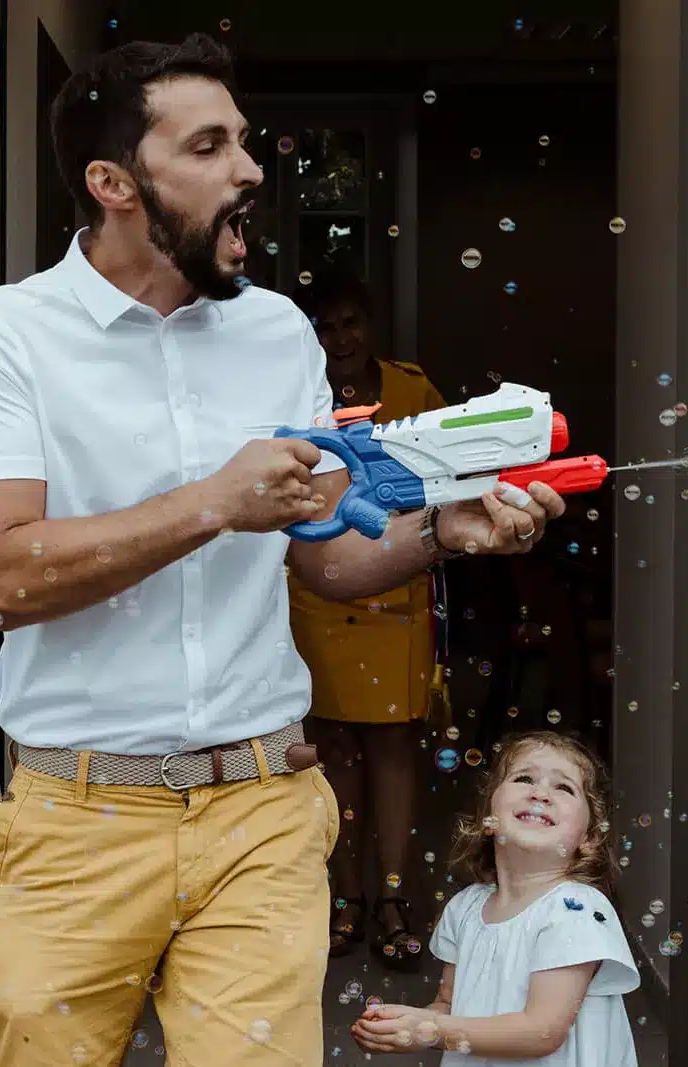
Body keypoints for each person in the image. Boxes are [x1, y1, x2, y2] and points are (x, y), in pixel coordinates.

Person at [0, 33, 566, 1066]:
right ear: (114, 182)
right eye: (211, 145)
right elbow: (3, 573)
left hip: (265, 804)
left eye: (247, 142)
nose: (252, 170)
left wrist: (444, 534)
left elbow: (324, 555)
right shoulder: (2, 338)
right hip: (76, 818)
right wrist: (212, 502)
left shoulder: (277, 331)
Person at [286, 271, 448, 969]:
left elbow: (449, 480)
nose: (340, 339)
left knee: (390, 748)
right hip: (320, 592)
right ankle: (344, 895)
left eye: (351, 323)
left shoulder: (412, 391)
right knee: (334, 753)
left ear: (372, 326)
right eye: (325, 327)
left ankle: (391, 896)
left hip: (395, 596)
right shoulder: (295, 398)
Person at [352, 731, 639, 1065]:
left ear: (589, 838)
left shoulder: (575, 909)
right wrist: (403, 1027)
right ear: (488, 819)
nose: (540, 793)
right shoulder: (465, 908)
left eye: (563, 787)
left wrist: (430, 1028)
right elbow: (447, 1004)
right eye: (524, 778)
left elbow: (542, 1031)